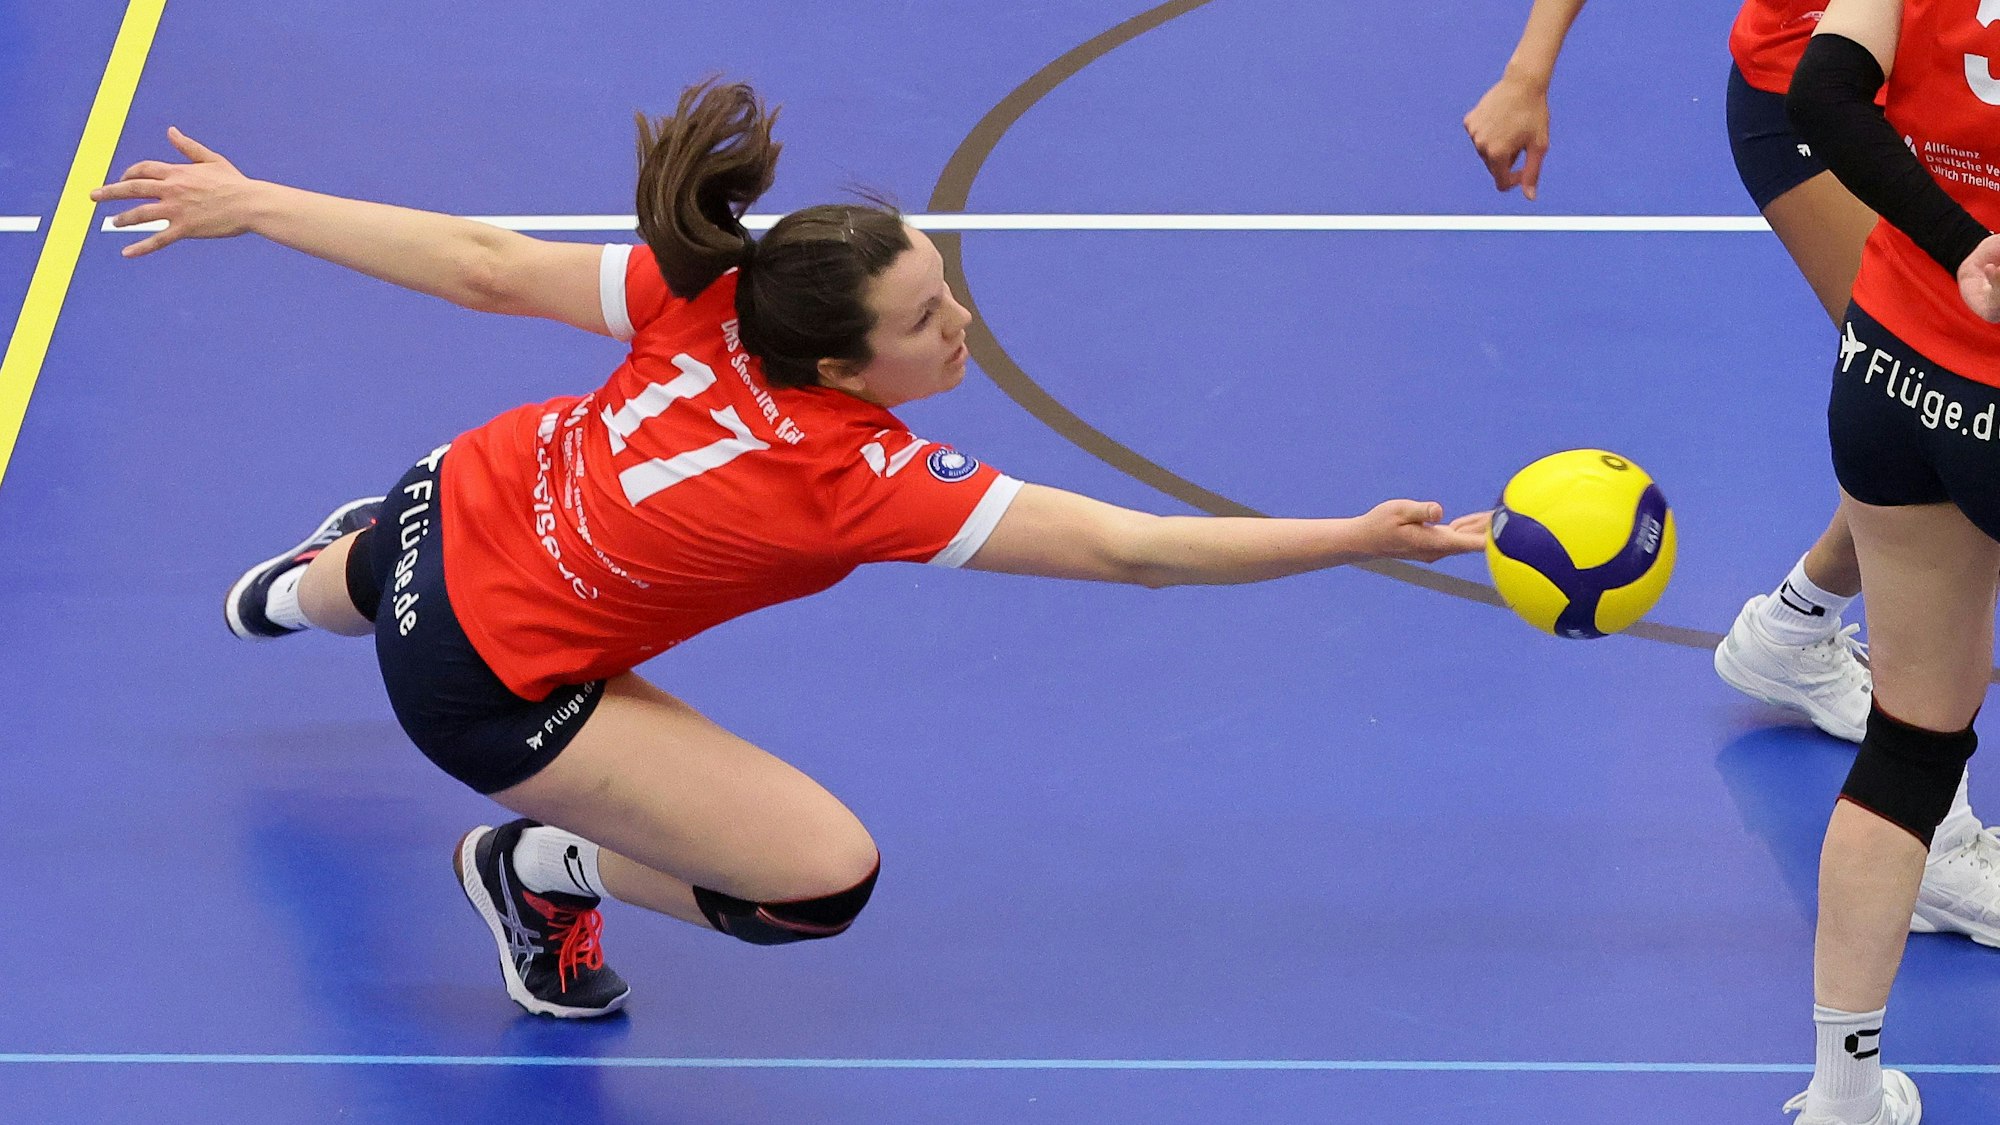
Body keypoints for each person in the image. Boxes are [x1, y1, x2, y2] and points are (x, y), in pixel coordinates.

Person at [91, 80, 1490, 1019]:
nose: (961, 326)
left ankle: (312, 583)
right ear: (839, 364)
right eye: (926, 320)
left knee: (406, 564)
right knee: (818, 887)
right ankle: (533, 871)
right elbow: (1135, 552)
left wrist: (253, 202)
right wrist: (1353, 539)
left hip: (453, 490)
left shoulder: (715, 286)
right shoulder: (862, 477)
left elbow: (482, 267)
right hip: (488, 685)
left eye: (945, 289)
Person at [1464, 0, 2000, 950]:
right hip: (1829, 106)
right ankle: (1937, 847)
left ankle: (1792, 628)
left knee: (1937, 439)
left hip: (1928, 116)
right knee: (1940, 417)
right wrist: (1528, 71)